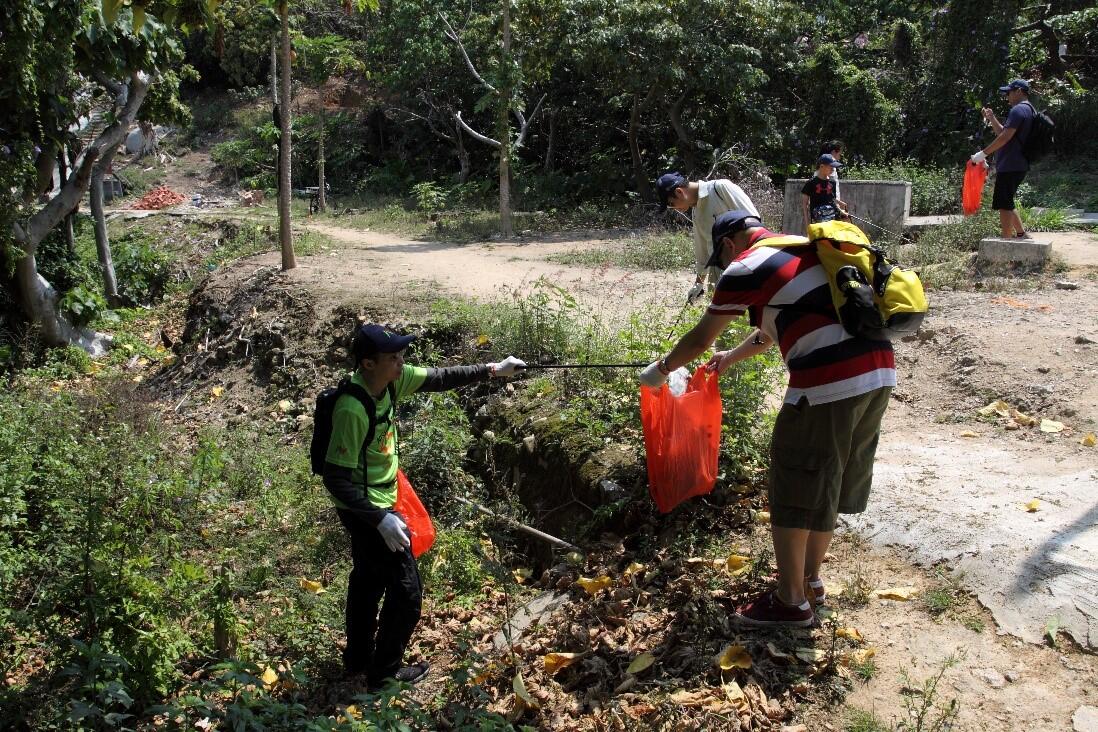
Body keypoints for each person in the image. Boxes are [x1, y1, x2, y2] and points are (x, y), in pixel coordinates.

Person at [638, 210, 894, 626]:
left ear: (727, 244)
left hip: (828, 379)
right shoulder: (803, 251)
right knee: (826, 476)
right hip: (878, 372)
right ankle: (809, 582)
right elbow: (769, 332)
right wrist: (731, 358)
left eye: (719, 259)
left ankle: (790, 603)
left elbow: (703, 336)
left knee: (793, 481)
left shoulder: (745, 266)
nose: (722, 267)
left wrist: (662, 369)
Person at [322, 324, 525, 688]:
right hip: (366, 509)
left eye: (402, 356)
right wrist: (380, 519)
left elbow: (441, 377)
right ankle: (383, 675)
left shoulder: (391, 381)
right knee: (407, 592)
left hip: (379, 501)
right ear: (368, 364)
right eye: (393, 358)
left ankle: (357, 660)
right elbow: (336, 479)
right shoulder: (352, 409)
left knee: (368, 580)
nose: (402, 363)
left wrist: (494, 369)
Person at [655, 171, 761, 304]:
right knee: (721, 319)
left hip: (745, 266)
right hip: (718, 271)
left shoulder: (721, 188)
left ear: (679, 192)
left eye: (671, 203)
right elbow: (703, 250)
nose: (674, 208)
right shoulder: (696, 212)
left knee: (745, 320)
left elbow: (755, 223)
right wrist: (698, 283)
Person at [971, 79, 1035, 239]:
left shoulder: (1018, 110)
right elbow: (1005, 134)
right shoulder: (1029, 110)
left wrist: (982, 154)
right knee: (1007, 200)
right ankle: (1021, 234)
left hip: (1011, 164)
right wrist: (992, 118)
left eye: (1009, 92)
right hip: (1019, 163)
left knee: (1003, 203)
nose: (1007, 96)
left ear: (1019, 91)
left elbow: (1005, 138)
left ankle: (1006, 239)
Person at [801, 154, 848, 231]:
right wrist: (807, 225)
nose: (833, 169)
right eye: (831, 167)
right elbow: (804, 204)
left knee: (847, 220)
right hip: (819, 219)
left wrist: (841, 211)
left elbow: (832, 200)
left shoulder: (832, 182)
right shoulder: (811, 183)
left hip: (832, 216)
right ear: (822, 166)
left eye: (834, 167)